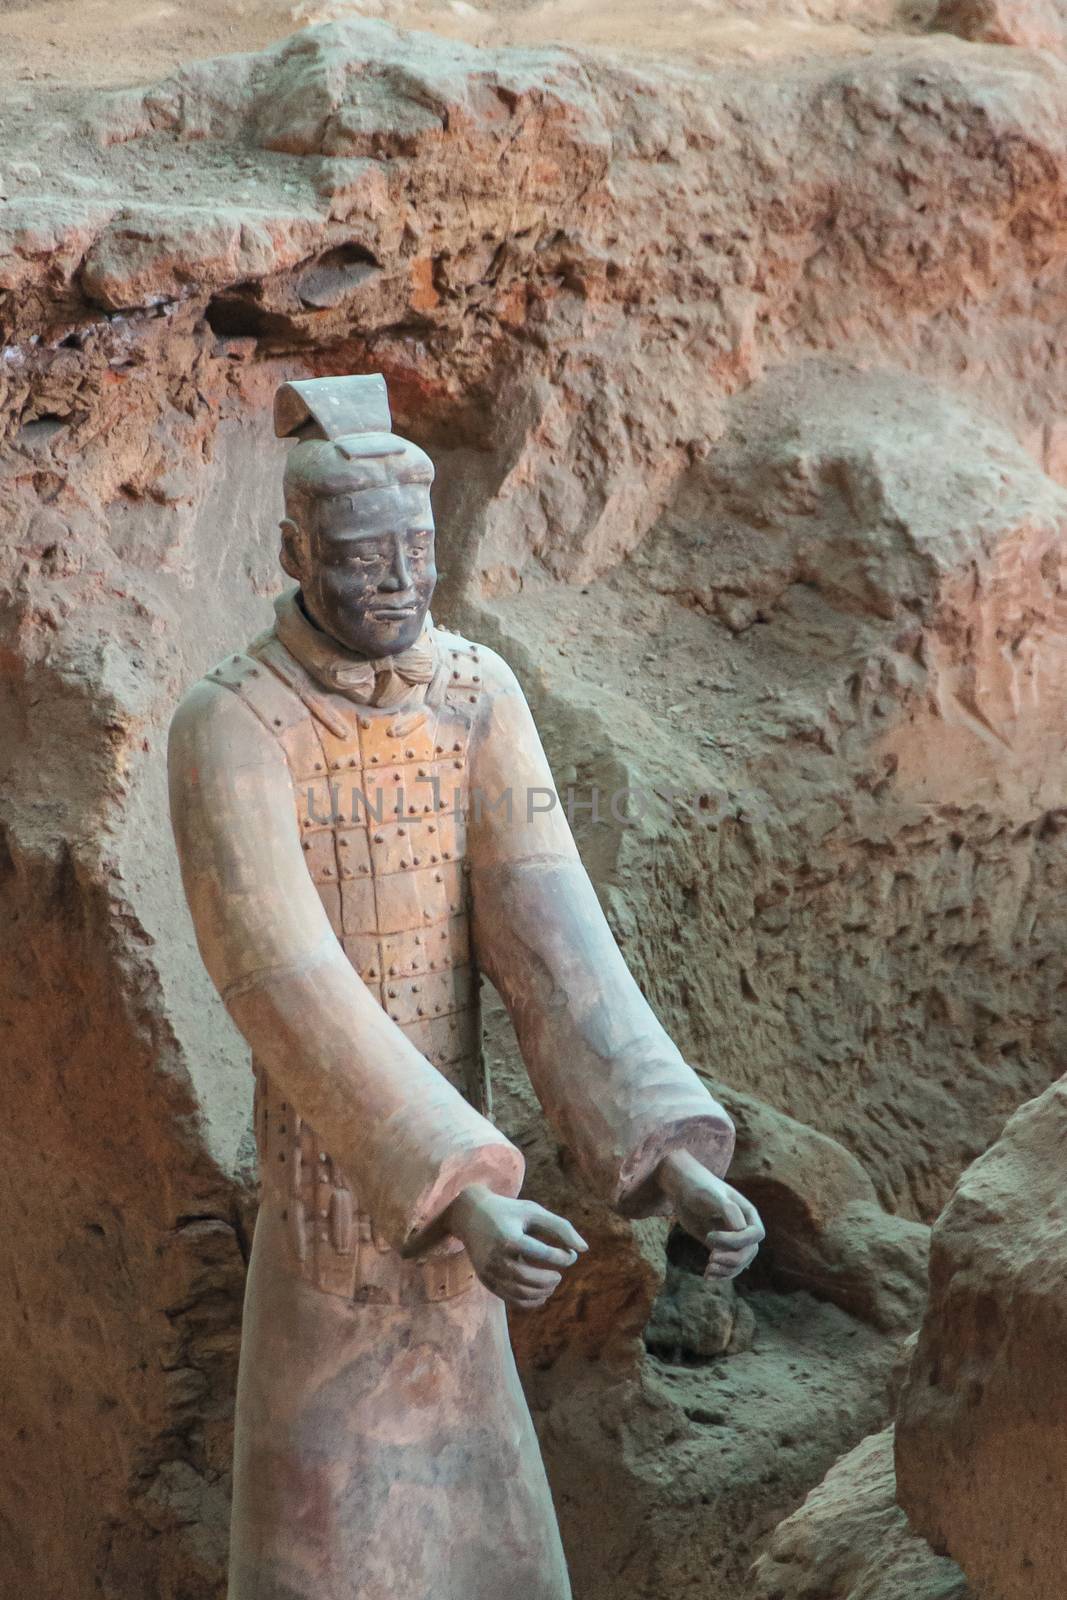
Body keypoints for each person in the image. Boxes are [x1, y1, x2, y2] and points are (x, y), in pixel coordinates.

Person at [168, 373, 764, 1600]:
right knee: (317, 1556)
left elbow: (554, 935)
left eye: (413, 549)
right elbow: (283, 981)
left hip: (473, 1253)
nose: (395, 578)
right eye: (357, 553)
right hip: (339, 1217)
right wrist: (458, 1190)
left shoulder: (477, 693)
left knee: (495, 1562)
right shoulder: (228, 725)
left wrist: (667, 1156)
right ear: (292, 551)